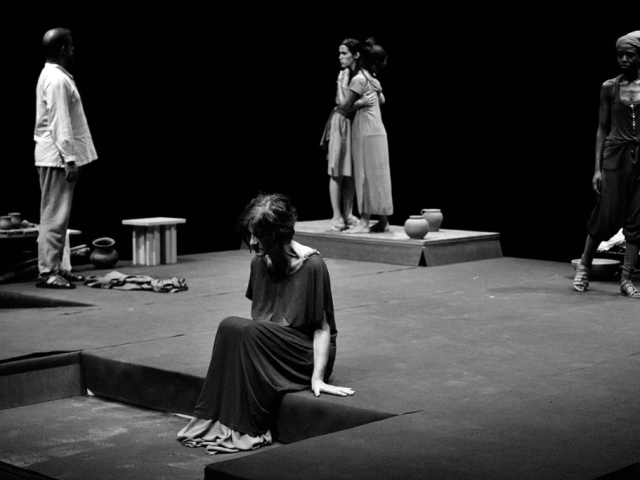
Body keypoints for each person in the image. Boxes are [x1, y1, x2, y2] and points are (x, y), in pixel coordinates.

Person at [177, 193, 354, 454]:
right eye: (251, 234)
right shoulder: (259, 263)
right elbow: (262, 325)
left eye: (260, 236)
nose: (252, 242)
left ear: (279, 234)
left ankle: (246, 427)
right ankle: (212, 417)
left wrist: (318, 377)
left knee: (242, 329)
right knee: (229, 327)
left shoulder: (312, 265)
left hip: (304, 354)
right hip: (273, 350)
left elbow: (322, 328)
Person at [573, 31, 640, 298]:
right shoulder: (609, 87)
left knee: (637, 220)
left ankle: (626, 278)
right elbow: (602, 128)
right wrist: (597, 169)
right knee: (605, 216)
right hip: (615, 157)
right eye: (620, 54)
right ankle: (584, 266)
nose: (623, 59)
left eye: (629, 55)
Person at [34, 28, 97, 289]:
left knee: (58, 215)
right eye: (70, 45)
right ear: (62, 49)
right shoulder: (56, 79)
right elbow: (59, 120)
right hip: (57, 158)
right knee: (53, 216)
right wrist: (69, 158)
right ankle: (48, 271)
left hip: (55, 156)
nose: (73, 50)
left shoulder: (54, 76)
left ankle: (56, 267)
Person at [337, 38, 393, 234]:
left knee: (365, 174)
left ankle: (364, 222)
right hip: (378, 130)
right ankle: (384, 220)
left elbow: (344, 106)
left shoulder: (359, 79)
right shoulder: (372, 79)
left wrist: (342, 86)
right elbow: (382, 100)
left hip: (366, 131)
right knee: (379, 175)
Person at [320, 41, 375, 231]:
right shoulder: (344, 74)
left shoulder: (359, 74)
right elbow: (341, 102)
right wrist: (359, 102)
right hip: (341, 122)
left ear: (356, 55)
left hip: (354, 123)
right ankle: (336, 215)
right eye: (340, 53)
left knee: (350, 171)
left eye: (344, 53)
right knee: (337, 170)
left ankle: (348, 213)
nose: (340, 57)